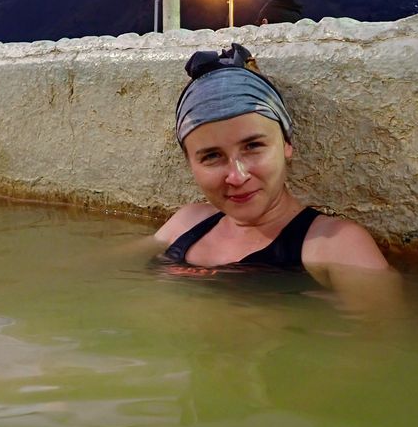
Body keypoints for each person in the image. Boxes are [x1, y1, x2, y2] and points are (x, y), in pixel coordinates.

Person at [154, 43, 399, 305]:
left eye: (253, 146)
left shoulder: (334, 245)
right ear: (190, 162)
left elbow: (384, 339)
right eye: (212, 156)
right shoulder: (186, 223)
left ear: (286, 144)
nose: (237, 177)